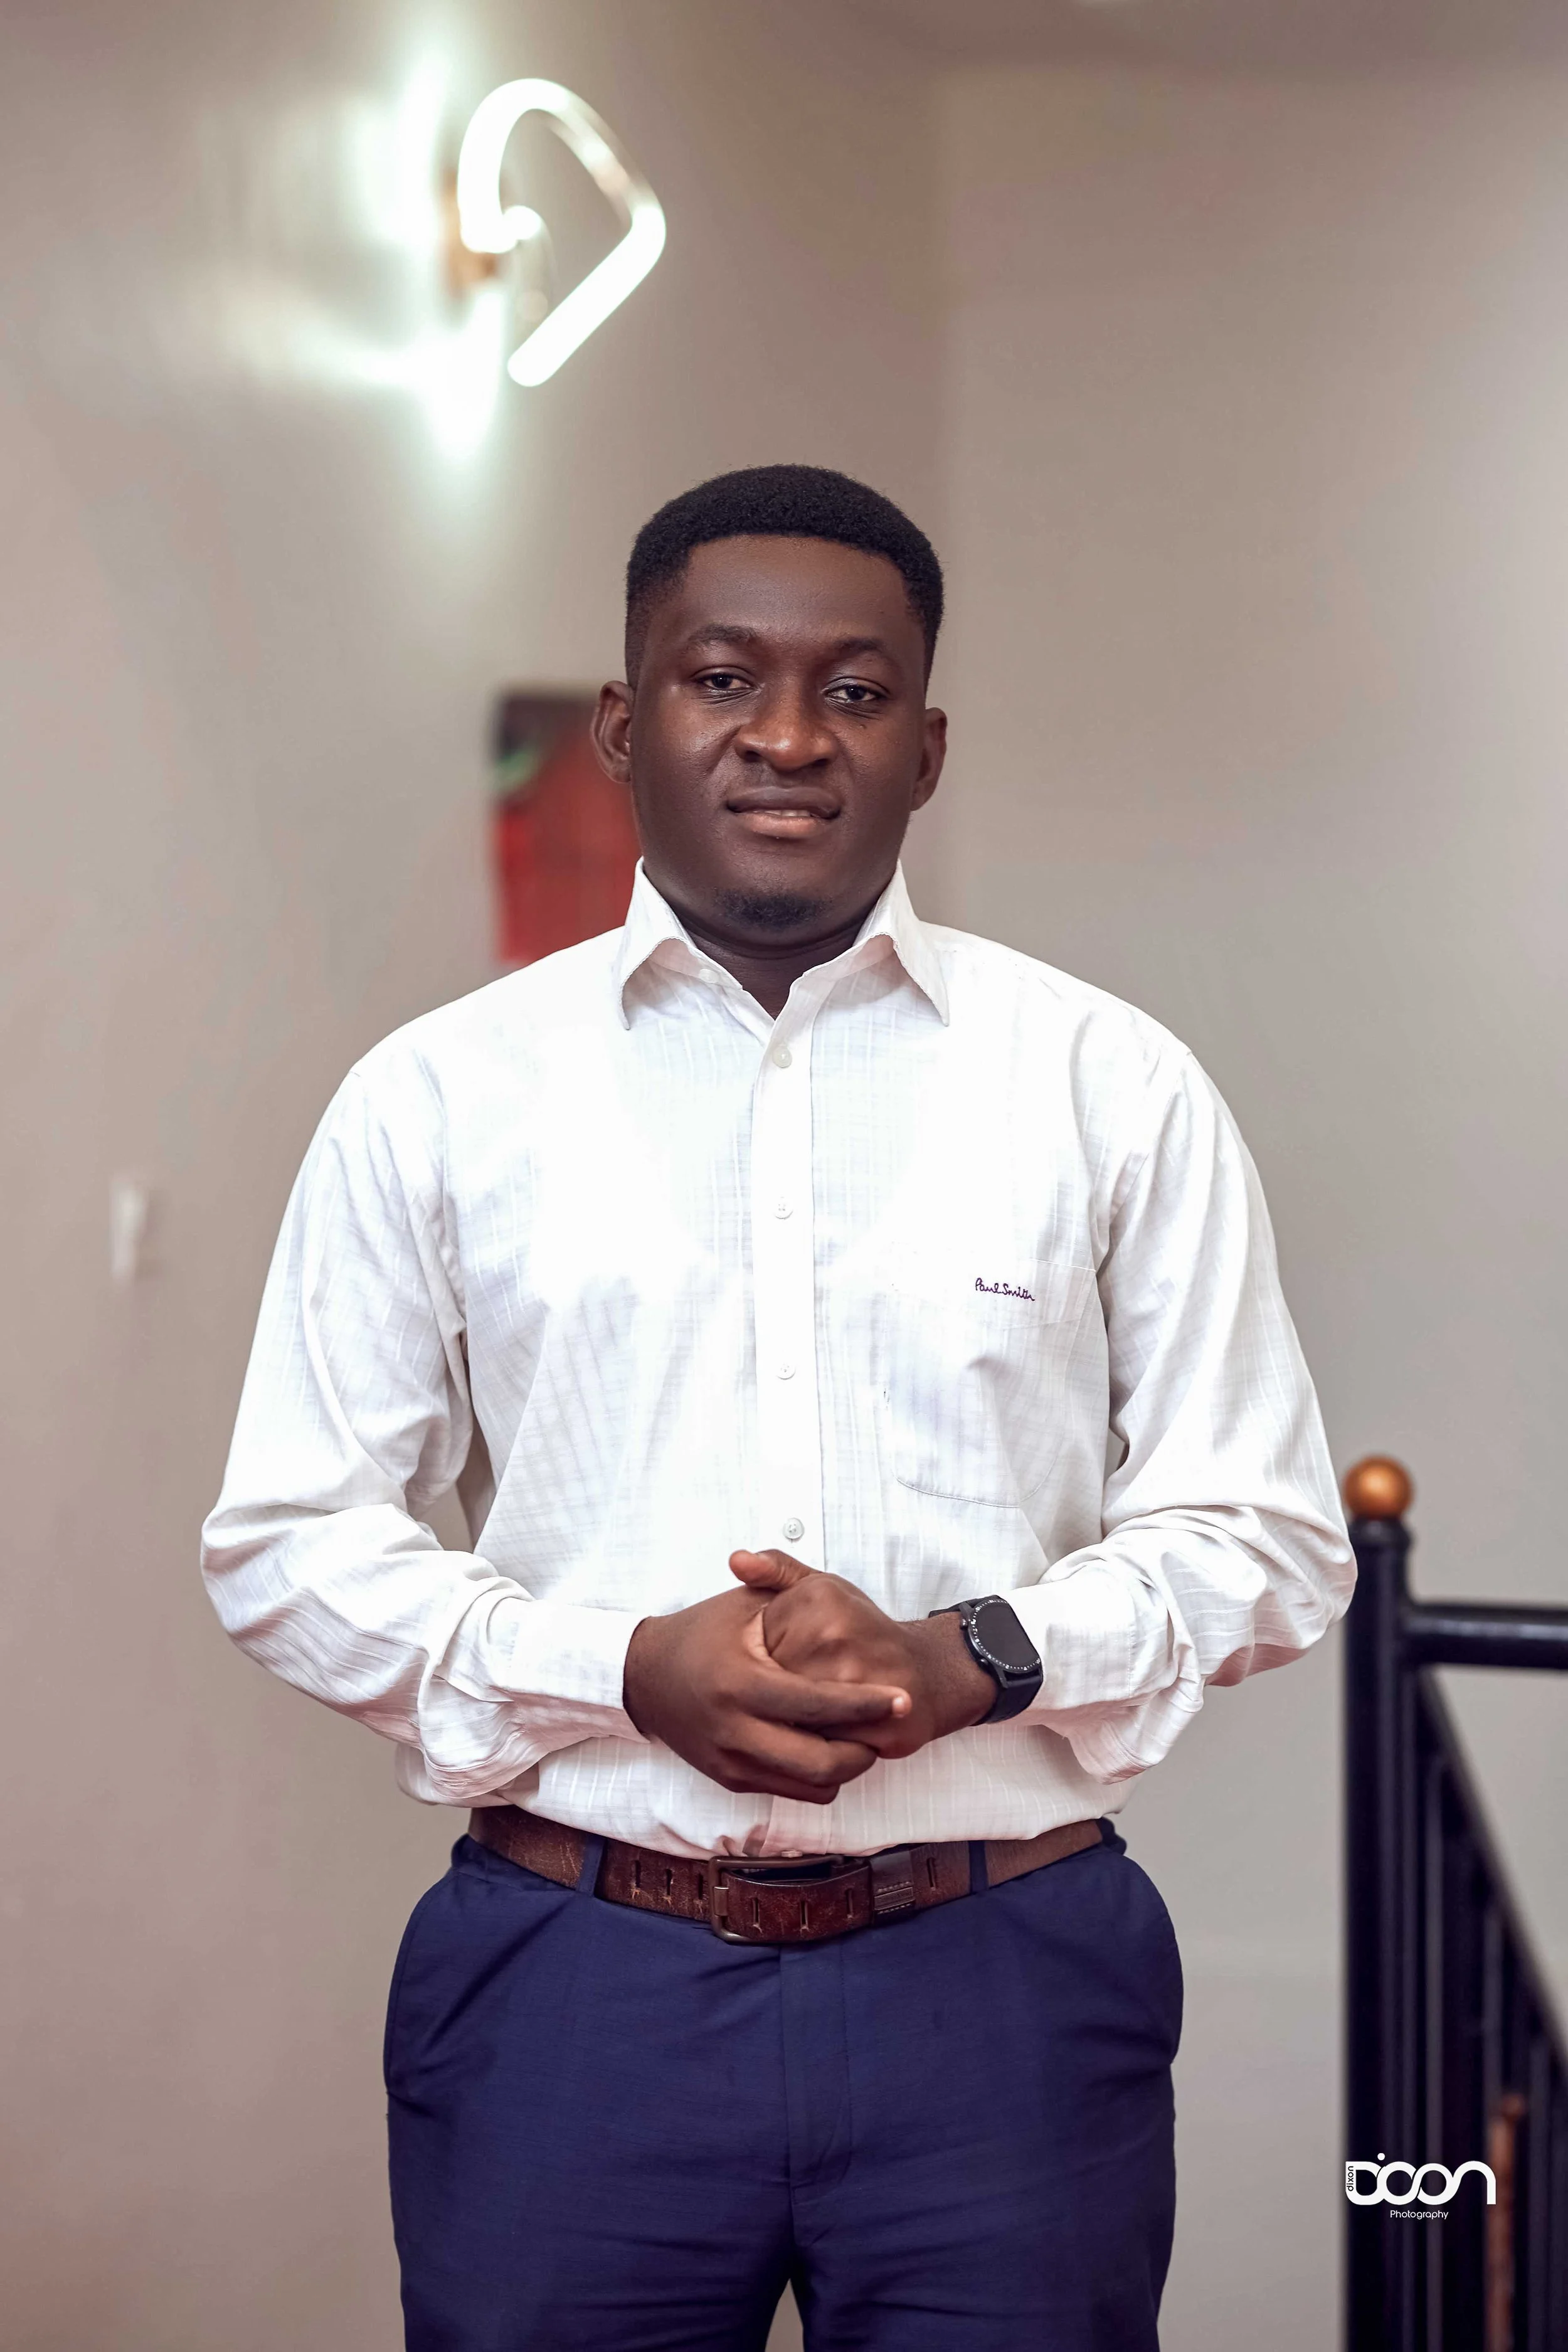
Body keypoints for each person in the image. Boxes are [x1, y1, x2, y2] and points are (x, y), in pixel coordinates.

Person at [202, 464, 1353, 2351]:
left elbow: (1270, 1532)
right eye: (721, 677)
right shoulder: (436, 1099)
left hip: (1006, 1983)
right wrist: (615, 1669)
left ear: (928, 744)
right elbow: (284, 1542)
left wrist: (973, 1652)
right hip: (577, 1982)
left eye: (858, 688)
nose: (790, 736)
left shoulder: (1106, 1084)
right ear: (619, 724)